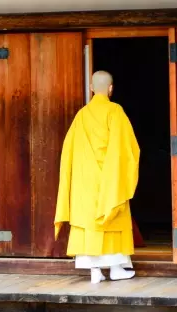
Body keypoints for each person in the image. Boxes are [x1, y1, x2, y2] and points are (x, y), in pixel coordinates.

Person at [54, 70, 140, 284]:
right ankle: (115, 269)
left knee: (88, 222)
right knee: (112, 214)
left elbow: (68, 152)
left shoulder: (81, 115)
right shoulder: (115, 111)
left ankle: (94, 272)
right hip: (109, 180)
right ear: (111, 89)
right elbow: (128, 149)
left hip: (85, 181)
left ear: (91, 88)